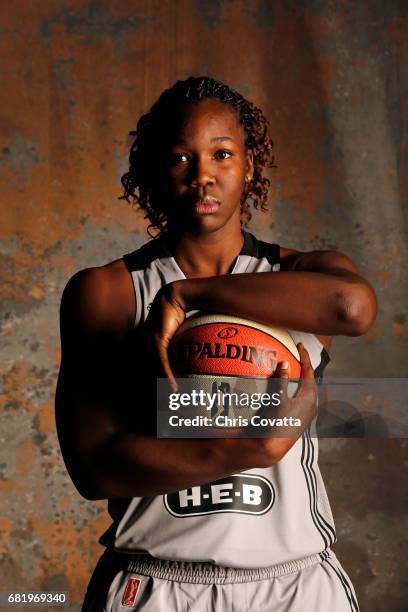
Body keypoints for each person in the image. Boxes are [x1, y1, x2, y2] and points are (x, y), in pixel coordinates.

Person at [55, 76, 377, 611]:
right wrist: (246, 449)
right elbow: (93, 468)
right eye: (182, 157)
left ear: (249, 165)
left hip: (293, 583)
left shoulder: (298, 273)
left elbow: (353, 308)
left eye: (222, 154)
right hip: (156, 582)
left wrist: (187, 294)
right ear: (157, 170)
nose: (203, 175)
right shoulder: (108, 291)